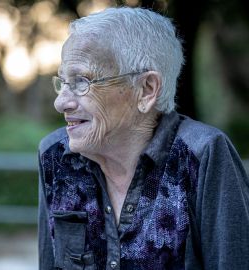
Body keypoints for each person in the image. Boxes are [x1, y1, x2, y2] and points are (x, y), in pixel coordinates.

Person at [38, 7, 249, 270]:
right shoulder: (55, 156)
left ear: (146, 90)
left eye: (82, 82)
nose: (61, 103)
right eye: (63, 82)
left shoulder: (201, 155)